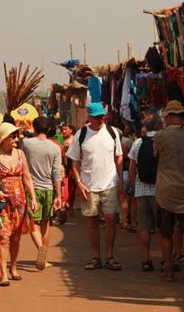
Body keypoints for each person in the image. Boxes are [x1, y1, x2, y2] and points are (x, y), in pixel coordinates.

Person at [67, 103, 123, 271]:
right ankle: (96, 257)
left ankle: (110, 256)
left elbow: (119, 156)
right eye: (97, 117)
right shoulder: (81, 135)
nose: (100, 120)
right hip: (89, 185)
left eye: (102, 117)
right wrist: (79, 182)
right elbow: (75, 161)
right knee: (92, 221)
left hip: (109, 184)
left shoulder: (112, 133)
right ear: (89, 117)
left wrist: (119, 178)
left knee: (111, 220)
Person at [0, 123, 38, 285]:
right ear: (3, 139)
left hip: (19, 201)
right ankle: (3, 274)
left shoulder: (21, 154)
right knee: (3, 237)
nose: (16, 139)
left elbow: (27, 178)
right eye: (12, 136)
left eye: (16, 136)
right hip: (1, 202)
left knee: (16, 238)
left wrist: (33, 197)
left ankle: (13, 267)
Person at [153, 100, 184, 283]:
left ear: (170, 116)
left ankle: (169, 269)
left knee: (166, 232)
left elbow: (156, 155)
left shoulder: (161, 136)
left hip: (165, 190)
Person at [21, 116, 63, 271]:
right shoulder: (55, 148)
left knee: (33, 222)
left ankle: (40, 248)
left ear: (34, 128)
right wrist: (59, 195)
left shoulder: (26, 143)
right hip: (49, 189)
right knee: (46, 223)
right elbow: (56, 173)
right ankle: (43, 258)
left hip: (31, 188)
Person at [128, 114, 162, 271]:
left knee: (144, 226)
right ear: (158, 126)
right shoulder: (162, 141)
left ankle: (146, 259)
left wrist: (132, 184)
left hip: (141, 191)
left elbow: (132, 166)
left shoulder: (138, 143)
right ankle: (165, 258)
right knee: (164, 227)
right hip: (160, 190)